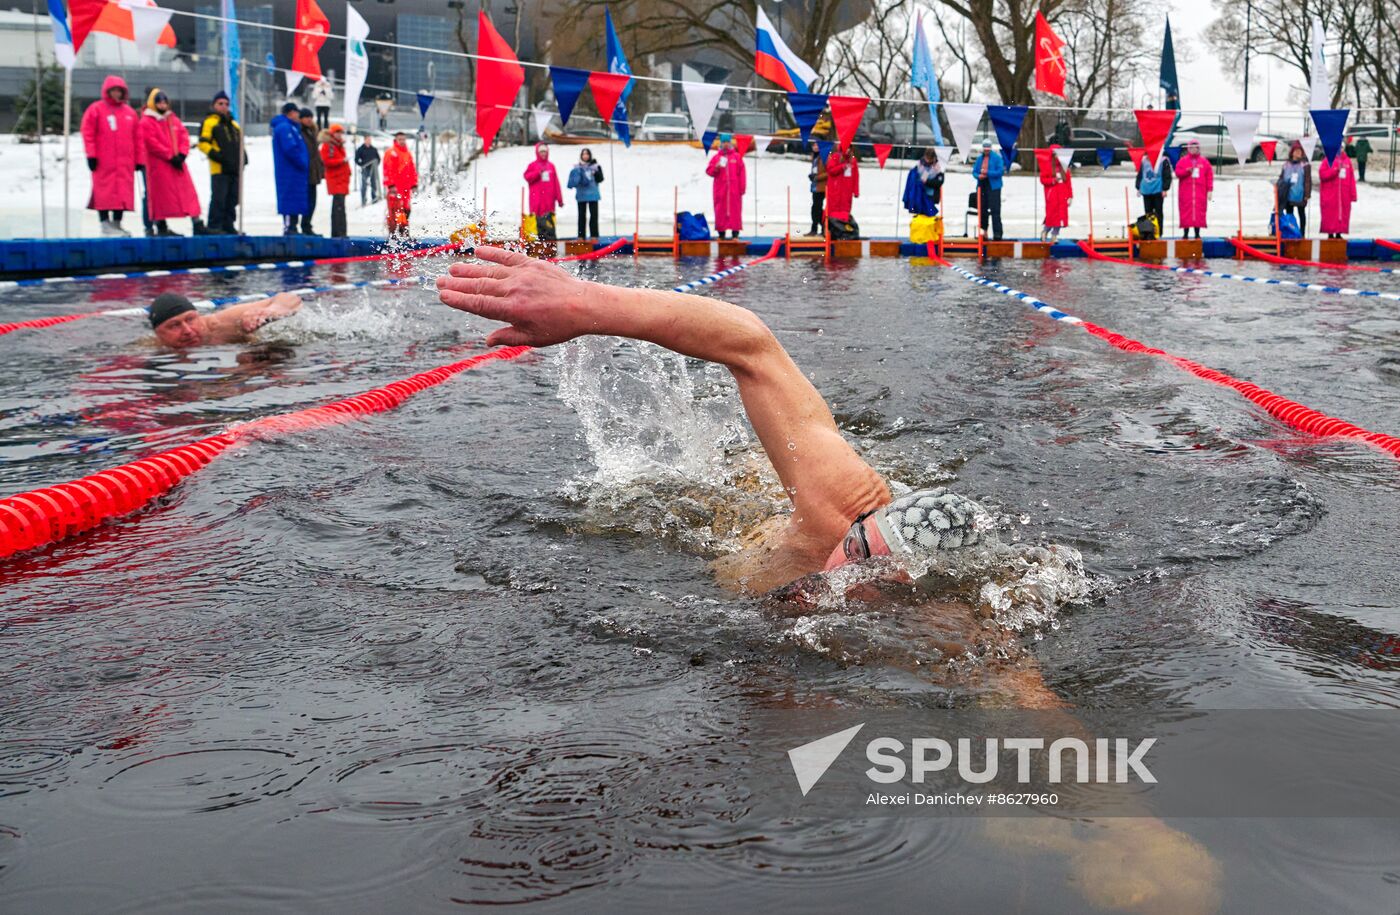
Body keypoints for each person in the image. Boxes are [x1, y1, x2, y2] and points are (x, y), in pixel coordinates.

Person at [138, 89, 206, 237]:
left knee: (188, 194)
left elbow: (183, 136)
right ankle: (161, 226)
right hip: (159, 166)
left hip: (177, 164)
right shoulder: (146, 121)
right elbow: (151, 142)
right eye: (159, 102)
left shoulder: (172, 119)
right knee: (159, 197)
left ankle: (197, 223)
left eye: (164, 102)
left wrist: (182, 154)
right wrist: (170, 156)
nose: (162, 105)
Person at [80, 75, 142, 237]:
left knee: (122, 193)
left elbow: (138, 138)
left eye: (119, 91)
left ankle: (117, 223)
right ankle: (104, 223)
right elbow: (88, 133)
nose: (117, 94)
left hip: (125, 163)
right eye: (114, 90)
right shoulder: (96, 109)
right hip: (104, 162)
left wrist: (139, 160)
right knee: (104, 193)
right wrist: (91, 155)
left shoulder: (130, 113)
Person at [149, 291, 302, 349]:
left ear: (199, 316)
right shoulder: (152, 346)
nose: (188, 331)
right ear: (158, 334)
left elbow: (288, 298)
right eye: (174, 326)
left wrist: (271, 311)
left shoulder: (222, 323)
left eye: (190, 320)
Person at [197, 90, 243, 235]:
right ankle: (214, 225)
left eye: (226, 104)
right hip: (219, 168)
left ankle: (228, 224)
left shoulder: (234, 125)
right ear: (214, 105)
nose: (224, 107)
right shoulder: (210, 122)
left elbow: (240, 144)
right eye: (220, 104)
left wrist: (244, 158)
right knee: (219, 198)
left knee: (233, 198)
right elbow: (203, 144)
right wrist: (217, 156)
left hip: (234, 168)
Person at [270, 101, 310, 236]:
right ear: (291, 113)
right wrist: (302, 162)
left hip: (295, 172)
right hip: (289, 171)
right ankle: (289, 227)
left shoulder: (292, 128)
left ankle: (293, 226)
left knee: (295, 200)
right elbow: (290, 149)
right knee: (289, 199)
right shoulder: (284, 128)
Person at [705, 134, 746, 240]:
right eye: (724, 142)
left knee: (735, 211)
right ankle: (721, 233)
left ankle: (735, 233)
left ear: (730, 143)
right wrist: (716, 167)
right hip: (720, 190)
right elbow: (709, 171)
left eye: (727, 142)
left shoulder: (737, 157)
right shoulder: (716, 158)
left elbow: (742, 173)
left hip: (734, 190)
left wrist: (742, 188)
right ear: (721, 143)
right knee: (720, 210)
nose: (726, 144)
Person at [1174, 139, 1213, 239]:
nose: (1193, 149)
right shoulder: (1183, 161)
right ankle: (1185, 233)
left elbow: (1209, 176)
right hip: (1186, 192)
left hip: (1200, 192)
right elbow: (1178, 173)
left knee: (1198, 211)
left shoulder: (1204, 162)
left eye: (1195, 147)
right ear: (1188, 149)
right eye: (1191, 147)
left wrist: (1209, 190)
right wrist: (1187, 171)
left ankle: (1197, 233)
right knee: (1186, 211)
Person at [523, 142, 563, 241]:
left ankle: (550, 243)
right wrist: (537, 173)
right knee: (537, 222)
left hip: (549, 200)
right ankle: (538, 243)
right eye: (541, 152)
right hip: (536, 200)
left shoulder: (551, 166)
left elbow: (556, 183)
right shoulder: (532, 165)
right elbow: (527, 177)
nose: (543, 154)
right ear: (537, 152)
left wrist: (559, 199)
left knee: (549, 222)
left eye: (545, 151)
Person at [382, 132, 418, 239]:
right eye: (400, 139)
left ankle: (404, 233)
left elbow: (412, 170)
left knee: (406, 210)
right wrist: (391, 185)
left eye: (403, 139)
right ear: (396, 140)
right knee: (395, 212)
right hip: (395, 189)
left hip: (405, 188)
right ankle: (393, 234)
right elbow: (387, 169)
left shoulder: (407, 153)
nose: (402, 141)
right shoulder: (391, 152)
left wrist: (414, 184)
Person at [1274, 140, 1313, 238]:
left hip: (1300, 195)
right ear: (1292, 152)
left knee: (1301, 214)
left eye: (1300, 151)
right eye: (1296, 151)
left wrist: (1307, 194)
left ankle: (1302, 233)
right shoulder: (1286, 165)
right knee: (1289, 215)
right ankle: (1291, 232)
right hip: (1289, 195)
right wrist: (1278, 187)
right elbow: (1281, 177)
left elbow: (1308, 180)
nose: (1298, 153)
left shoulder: (1305, 165)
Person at [1318, 148, 1358, 239]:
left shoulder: (1347, 161)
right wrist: (1335, 171)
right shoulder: (1328, 160)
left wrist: (1353, 194)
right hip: (1331, 194)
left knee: (1342, 214)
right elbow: (1322, 175)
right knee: (1331, 214)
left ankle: (1339, 233)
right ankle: (1330, 233)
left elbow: (1351, 178)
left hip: (1344, 194)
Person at [320, 124, 351, 238]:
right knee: (339, 208)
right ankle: (339, 233)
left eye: (340, 132)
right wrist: (342, 161)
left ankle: (339, 233)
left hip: (341, 180)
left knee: (339, 208)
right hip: (336, 180)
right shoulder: (329, 146)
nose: (339, 134)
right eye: (337, 132)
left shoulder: (337, 146)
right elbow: (326, 161)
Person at [566, 147, 603, 239]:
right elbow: (574, 182)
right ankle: (581, 235)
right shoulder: (577, 168)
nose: (585, 156)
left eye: (587, 154)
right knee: (581, 216)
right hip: (581, 195)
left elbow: (601, 179)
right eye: (583, 154)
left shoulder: (596, 166)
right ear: (581, 156)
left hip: (593, 195)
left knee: (594, 216)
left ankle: (594, 235)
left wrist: (596, 173)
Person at [971, 139, 1005, 241]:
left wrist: (987, 173)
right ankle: (983, 232)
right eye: (985, 149)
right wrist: (979, 176)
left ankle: (997, 233)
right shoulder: (979, 159)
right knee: (982, 210)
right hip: (982, 185)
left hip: (994, 187)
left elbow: (1000, 172)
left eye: (988, 149)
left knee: (995, 210)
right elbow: (974, 172)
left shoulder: (997, 158)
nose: (986, 151)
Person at [1038, 145, 1073, 243]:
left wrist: (1070, 196)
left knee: (1061, 216)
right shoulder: (1046, 166)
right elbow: (1043, 179)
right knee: (1051, 216)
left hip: (1062, 195)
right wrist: (1053, 180)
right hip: (1052, 195)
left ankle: (1055, 235)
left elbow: (1068, 182)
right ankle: (1045, 231)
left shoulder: (1064, 167)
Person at [299, 108, 324, 236]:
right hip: (304, 173)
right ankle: (304, 225)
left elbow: (315, 154)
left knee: (312, 202)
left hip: (312, 173)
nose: (309, 119)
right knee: (305, 201)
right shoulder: (300, 132)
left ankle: (307, 225)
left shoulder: (312, 132)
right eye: (306, 117)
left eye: (310, 117)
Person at [824, 146, 860, 235]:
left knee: (845, 212)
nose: (847, 150)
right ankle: (829, 230)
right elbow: (830, 170)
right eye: (846, 148)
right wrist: (842, 167)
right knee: (832, 211)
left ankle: (842, 231)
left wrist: (856, 191)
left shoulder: (853, 160)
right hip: (834, 191)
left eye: (849, 148)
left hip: (846, 193)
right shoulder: (836, 157)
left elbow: (855, 177)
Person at [902, 148, 944, 219]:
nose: (927, 160)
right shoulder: (919, 165)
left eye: (929, 159)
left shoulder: (938, 168)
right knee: (919, 215)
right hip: (919, 195)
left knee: (929, 215)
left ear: (934, 158)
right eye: (926, 158)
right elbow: (913, 178)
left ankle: (928, 228)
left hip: (931, 196)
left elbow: (939, 182)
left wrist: (927, 181)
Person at [1134, 153, 1172, 230]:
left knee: (1158, 212)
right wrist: (1138, 187)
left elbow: (1167, 175)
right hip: (1146, 190)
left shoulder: (1163, 160)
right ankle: (1149, 231)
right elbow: (1140, 174)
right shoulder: (1144, 161)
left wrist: (1165, 188)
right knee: (1148, 213)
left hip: (1158, 190)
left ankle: (1159, 231)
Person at [806, 141, 827, 235]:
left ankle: (821, 228)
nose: (815, 147)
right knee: (815, 208)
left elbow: (829, 172)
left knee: (817, 209)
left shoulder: (824, 157)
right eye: (814, 145)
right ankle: (816, 228)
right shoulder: (814, 158)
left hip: (821, 187)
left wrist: (816, 177)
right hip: (815, 187)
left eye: (817, 145)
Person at [355, 135, 381, 207]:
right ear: (365, 140)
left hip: (373, 169)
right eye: (368, 139)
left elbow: (378, 158)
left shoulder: (373, 149)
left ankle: (374, 198)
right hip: (365, 169)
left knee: (374, 184)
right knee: (364, 185)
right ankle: (363, 199)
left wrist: (376, 164)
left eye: (370, 139)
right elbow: (356, 159)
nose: (369, 141)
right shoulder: (360, 149)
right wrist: (361, 165)